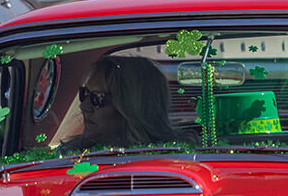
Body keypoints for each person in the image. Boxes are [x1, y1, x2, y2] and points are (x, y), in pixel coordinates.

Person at [60, 56, 190, 150]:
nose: (84, 106)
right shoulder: (69, 156)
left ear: (132, 107)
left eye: (97, 98)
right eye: (85, 94)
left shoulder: (177, 156)